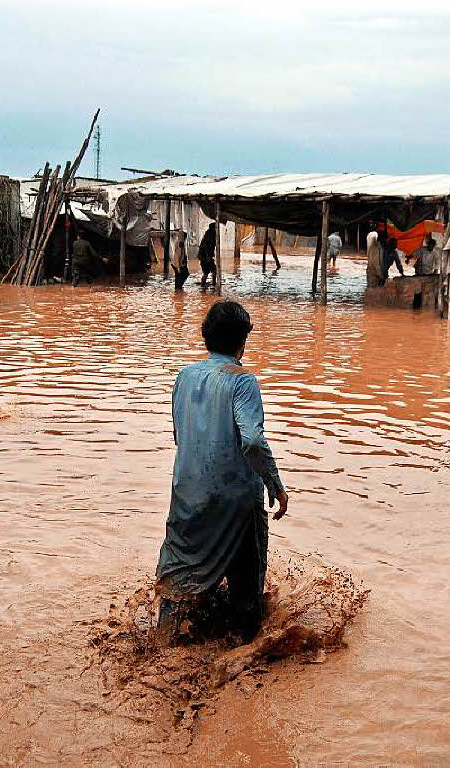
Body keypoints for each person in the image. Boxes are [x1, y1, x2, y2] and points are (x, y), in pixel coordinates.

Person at [156, 300, 288, 645]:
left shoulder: (184, 377)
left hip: (187, 493)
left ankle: (163, 641)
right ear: (243, 341)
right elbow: (254, 442)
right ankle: (244, 651)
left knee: (177, 574)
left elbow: (178, 435)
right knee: (246, 590)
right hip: (234, 500)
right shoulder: (243, 381)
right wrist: (275, 485)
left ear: (206, 339)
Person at [198, 223, 218, 287]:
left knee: (214, 271)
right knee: (206, 273)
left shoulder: (211, 234)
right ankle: (203, 287)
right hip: (205, 257)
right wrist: (208, 257)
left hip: (207, 256)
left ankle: (212, 285)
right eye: (215, 227)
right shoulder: (209, 235)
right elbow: (205, 247)